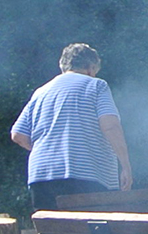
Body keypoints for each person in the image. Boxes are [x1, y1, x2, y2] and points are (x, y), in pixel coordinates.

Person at [11, 43, 134, 212]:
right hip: (85, 176)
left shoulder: (40, 92)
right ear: (91, 68)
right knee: (89, 227)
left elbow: (18, 135)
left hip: (41, 177)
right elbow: (110, 126)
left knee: (52, 228)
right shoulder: (96, 85)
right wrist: (125, 166)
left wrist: (49, 153)